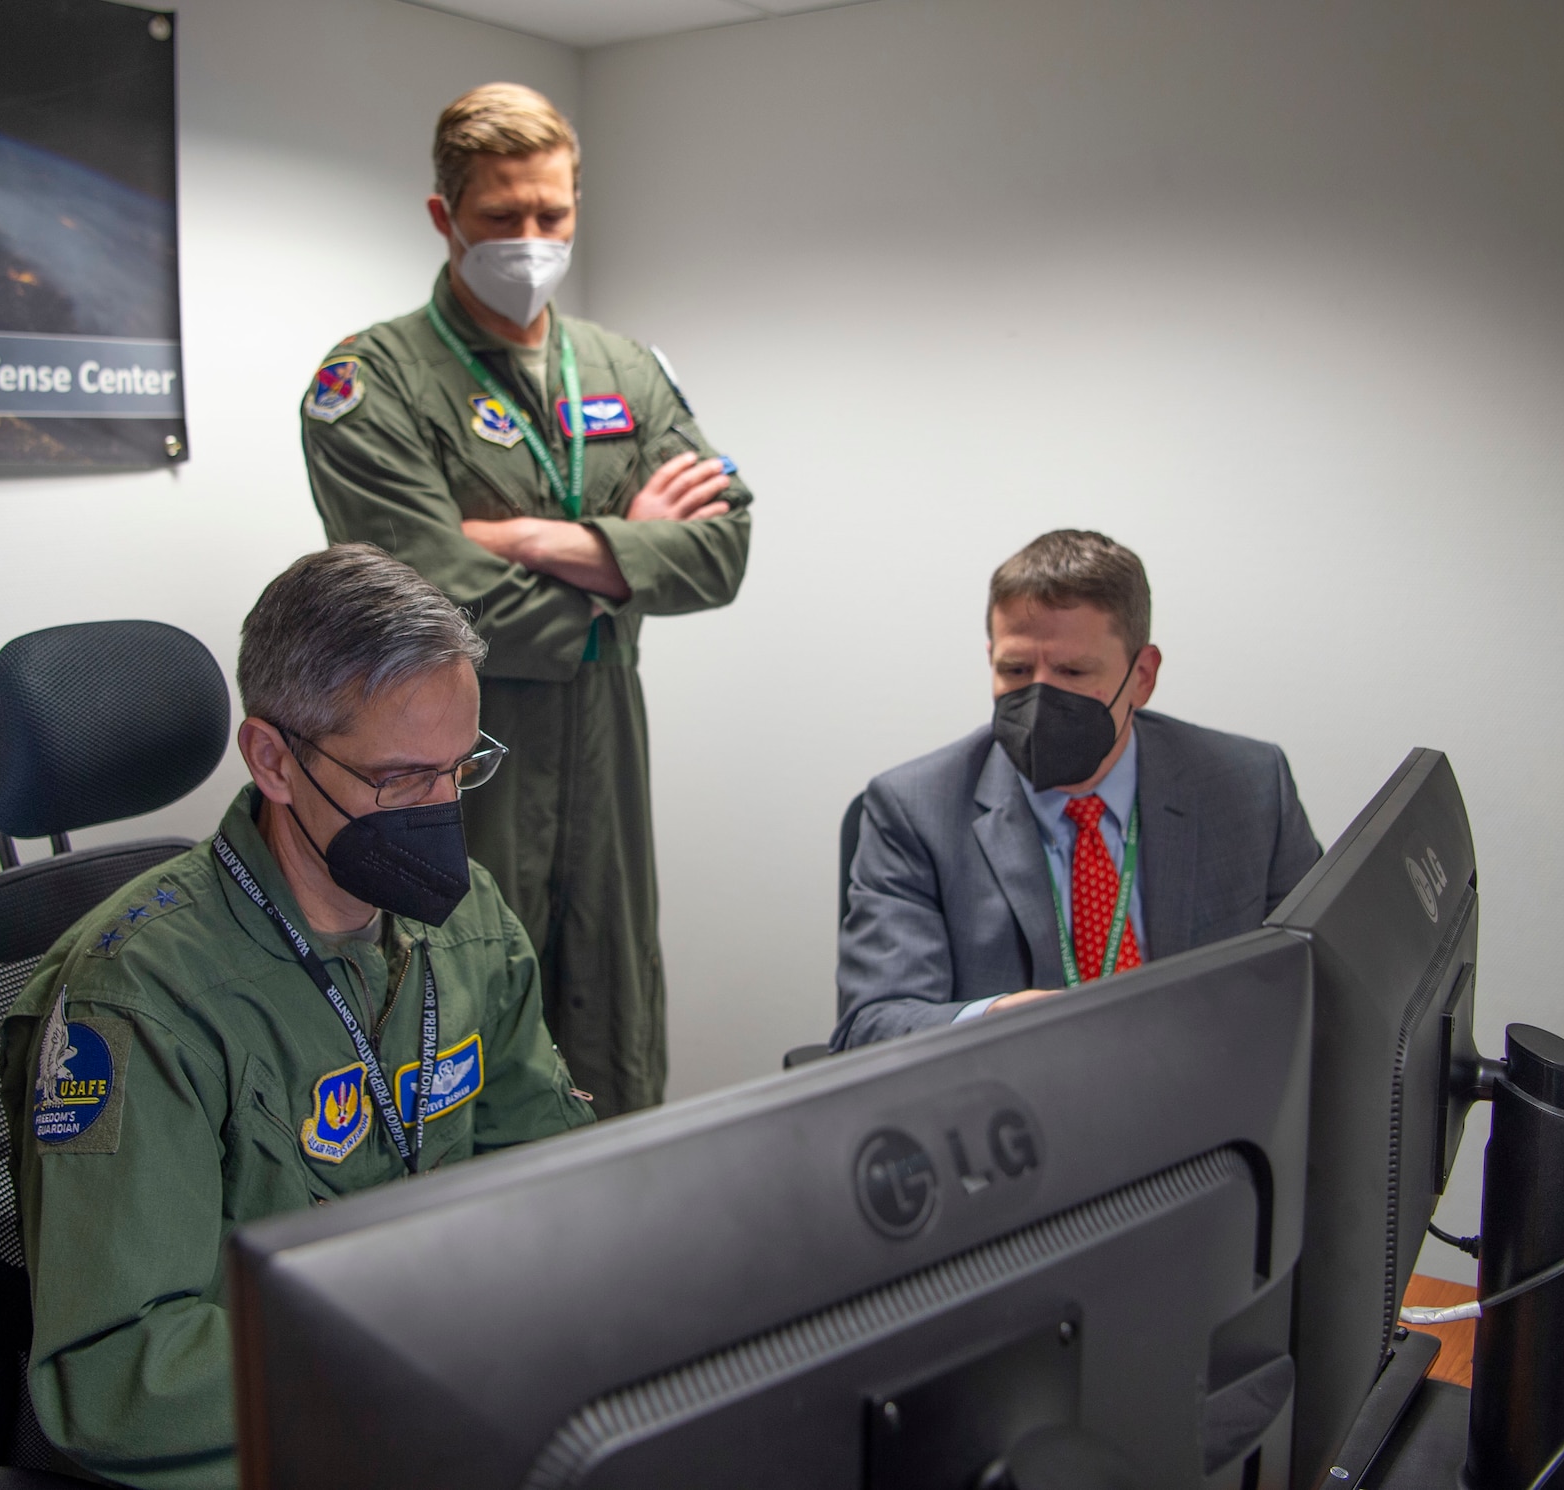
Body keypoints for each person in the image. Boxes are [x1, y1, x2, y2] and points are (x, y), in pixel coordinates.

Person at [0, 544, 594, 1490]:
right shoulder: (136, 1000)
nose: (441, 811)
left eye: (460, 768)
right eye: (401, 779)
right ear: (274, 761)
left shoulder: (467, 917)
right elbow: (122, 1373)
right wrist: (408, 1371)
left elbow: (547, 1172)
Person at [299, 83, 753, 1119]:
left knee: (608, 999)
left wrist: (538, 539)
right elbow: (423, 589)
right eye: (501, 217)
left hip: (605, 741)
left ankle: (618, 1250)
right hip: (450, 750)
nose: (531, 238)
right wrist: (625, 567)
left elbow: (722, 549)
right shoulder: (370, 381)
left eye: (551, 214)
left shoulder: (623, 369)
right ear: (443, 215)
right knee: (457, 1004)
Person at [831, 529, 1322, 1049]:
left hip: (1205, 1100)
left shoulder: (1248, 785)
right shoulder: (913, 809)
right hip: (1017, 1105)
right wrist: (994, 1022)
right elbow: (869, 1027)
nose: (1040, 696)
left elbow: (1322, 974)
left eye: (1072, 670)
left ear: (1142, 677)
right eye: (1015, 670)